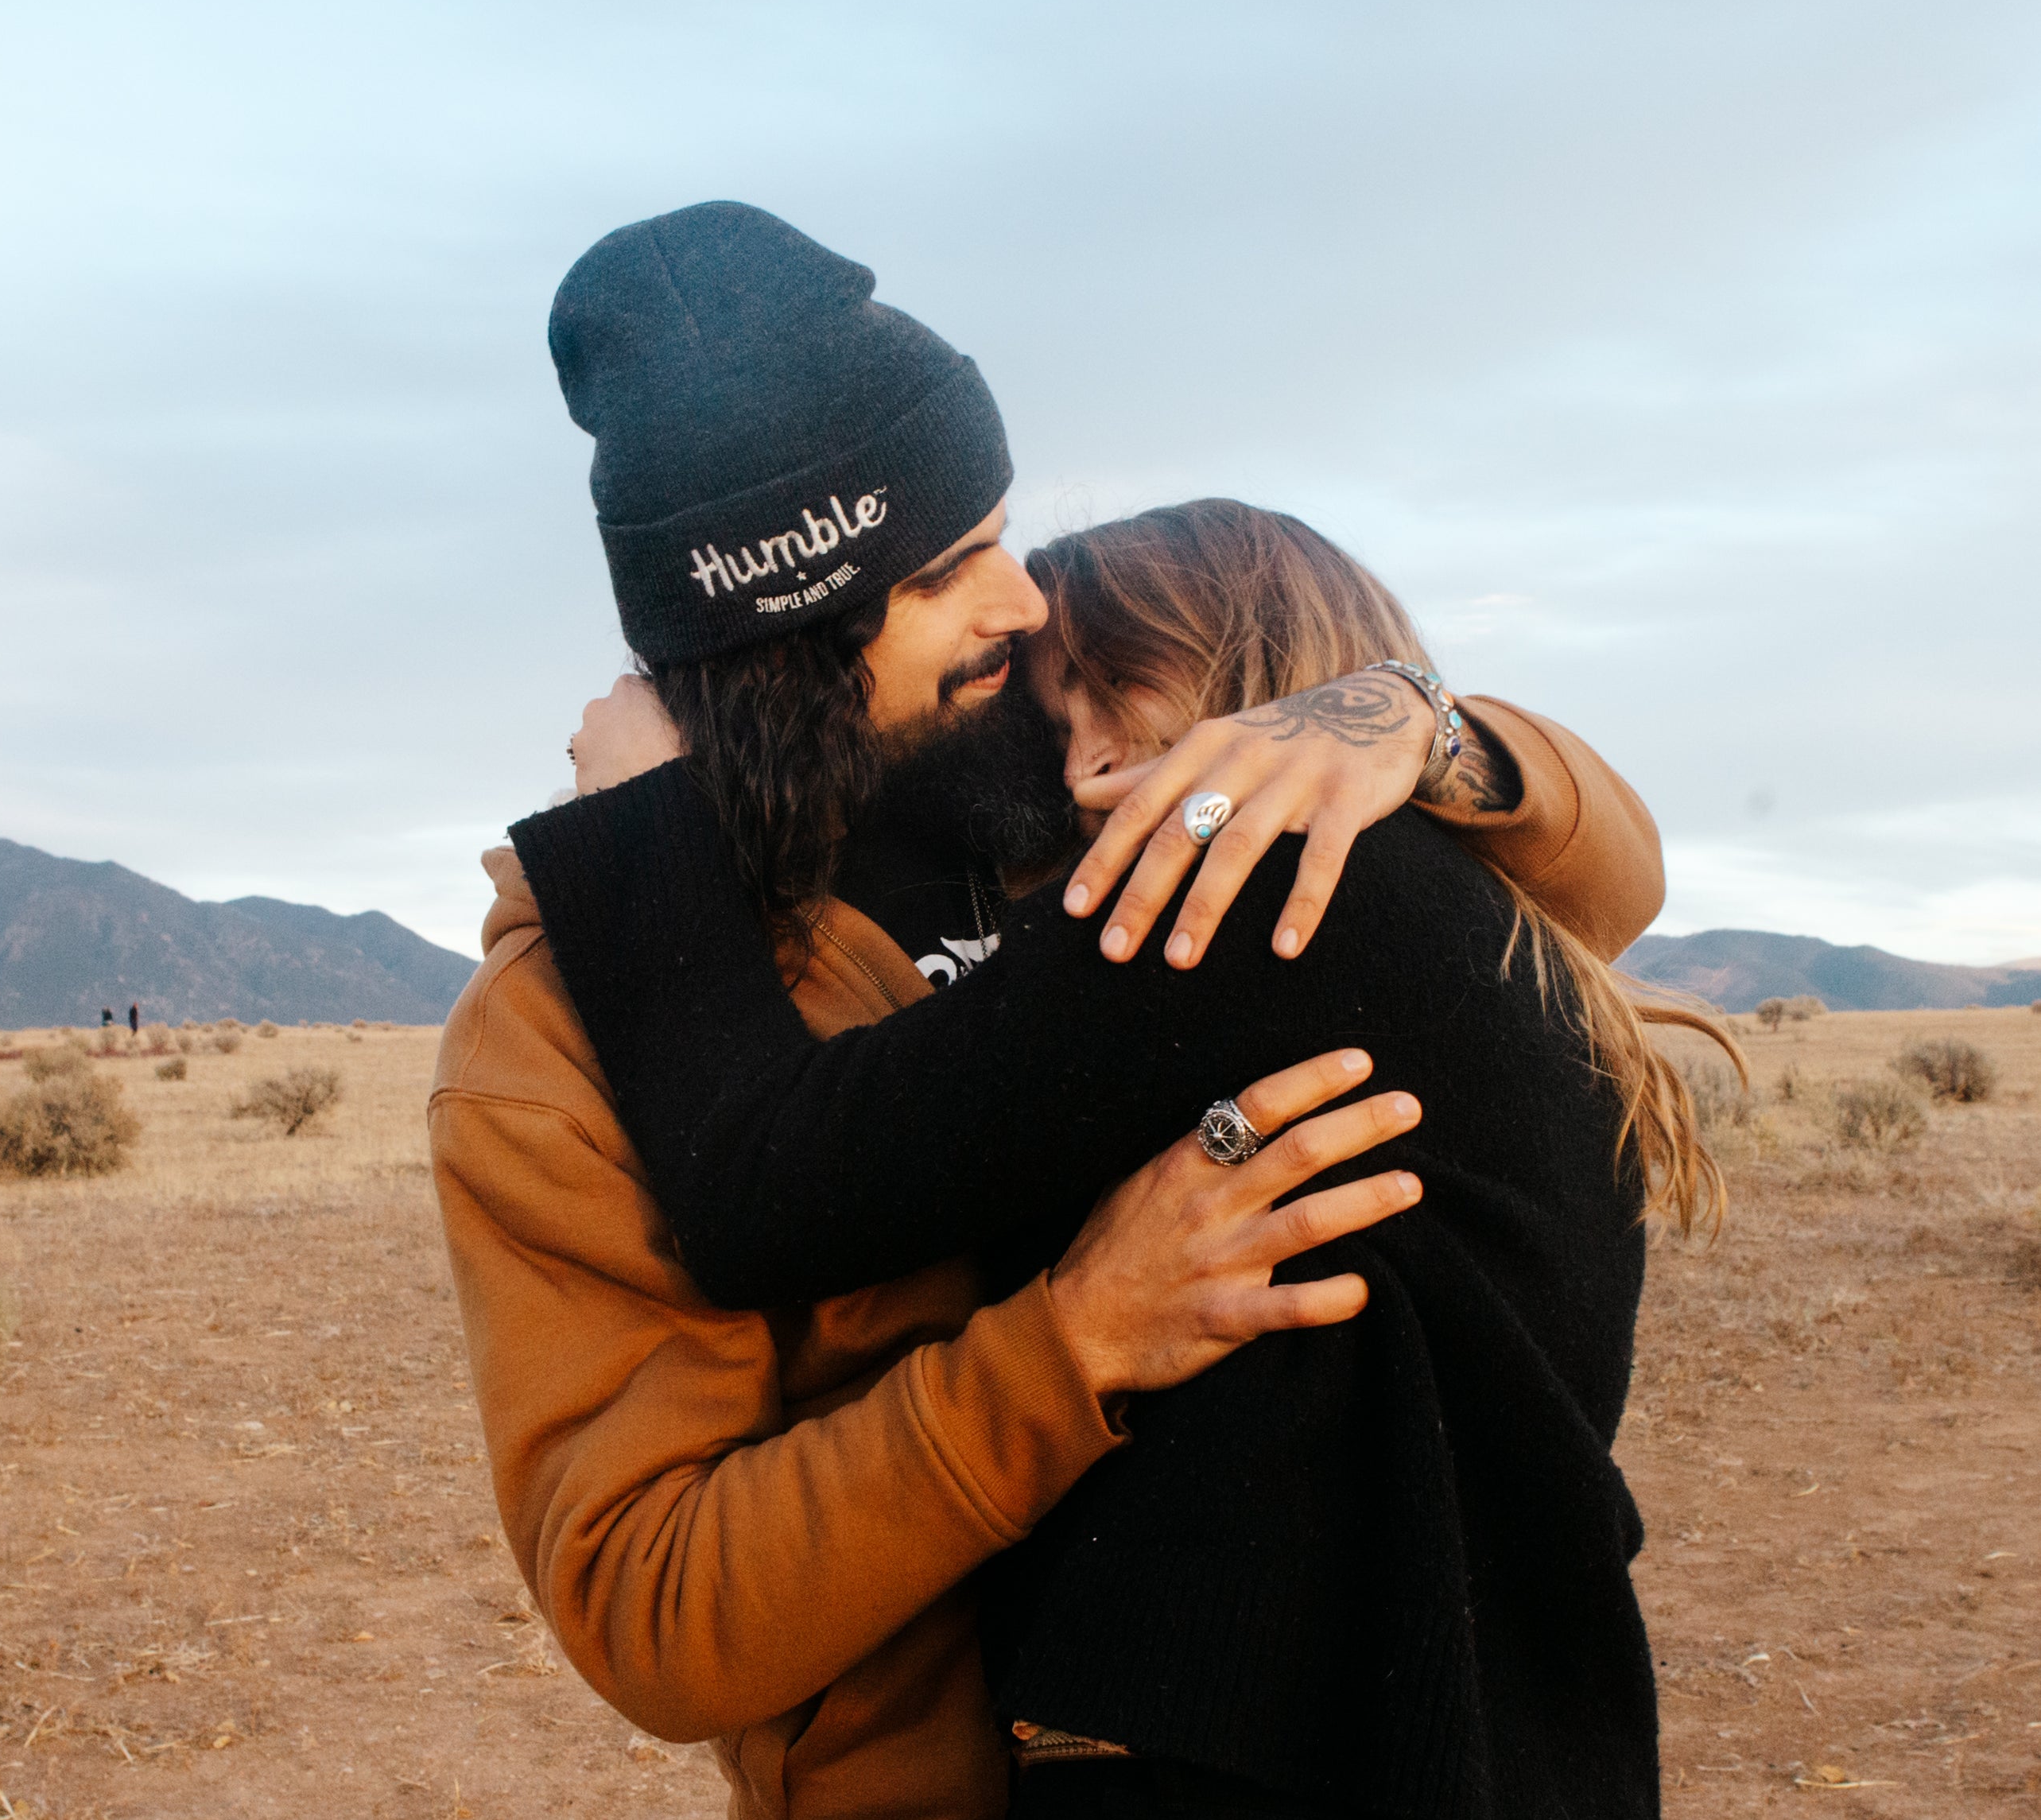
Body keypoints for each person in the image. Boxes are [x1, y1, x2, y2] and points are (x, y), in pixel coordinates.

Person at [433, 202, 1670, 1820]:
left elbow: (1598, 887)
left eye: (1010, 538)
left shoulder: (1091, 815)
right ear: (790, 624)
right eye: (956, 567)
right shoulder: (557, 1045)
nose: (1024, 611)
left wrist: (1421, 729)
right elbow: (654, 1605)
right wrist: (1074, 1339)